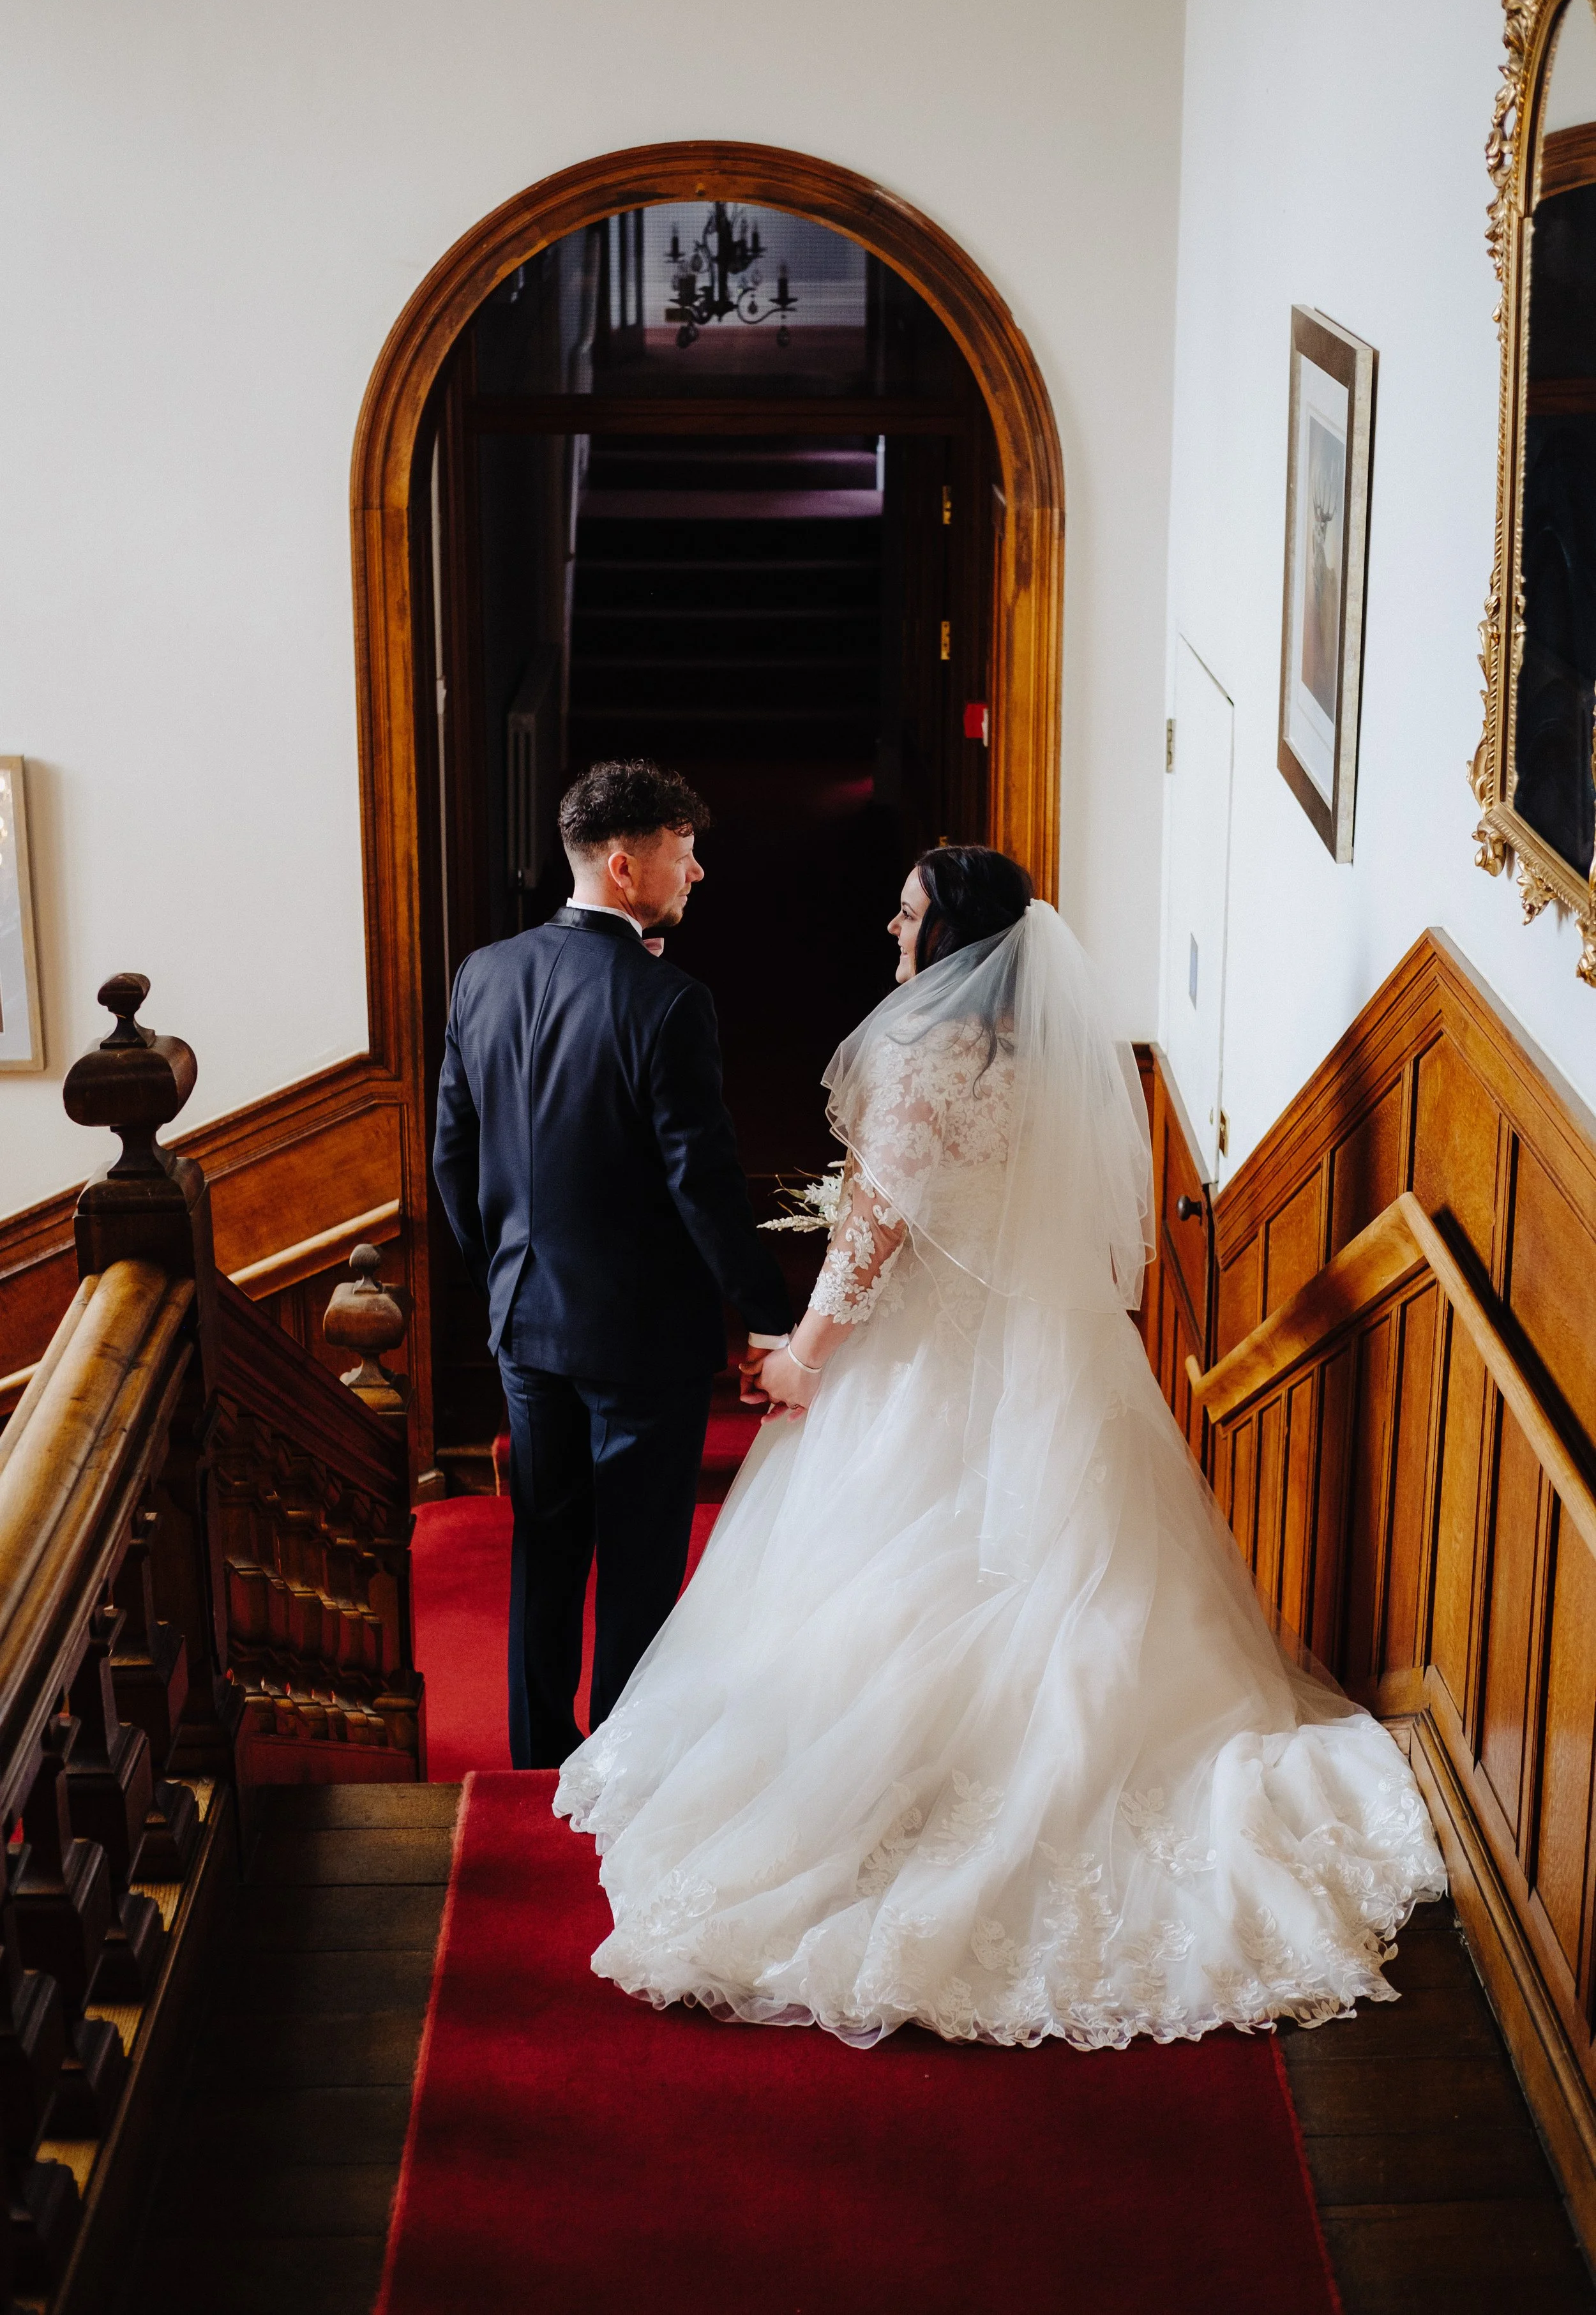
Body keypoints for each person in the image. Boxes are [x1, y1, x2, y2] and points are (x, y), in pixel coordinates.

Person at [553, 845, 1445, 2050]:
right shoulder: (1046, 1063)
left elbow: (873, 1233)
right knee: (1070, 1572)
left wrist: (805, 1353)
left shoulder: (917, 1059)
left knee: (896, 1577)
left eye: (909, 910)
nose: (891, 921)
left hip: (927, 1363)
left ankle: (897, 1799)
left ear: (951, 937)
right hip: (1053, 1357)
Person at [433, 759, 794, 1768]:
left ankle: (541, 1750)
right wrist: (769, 1313)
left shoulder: (483, 974)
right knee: (639, 1562)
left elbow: (451, 1162)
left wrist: (501, 1276)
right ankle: (622, 1765)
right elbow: (703, 1182)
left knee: (547, 1547)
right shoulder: (668, 1001)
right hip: (641, 1337)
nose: (700, 873)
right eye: (686, 855)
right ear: (627, 867)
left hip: (524, 1324)